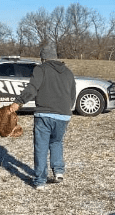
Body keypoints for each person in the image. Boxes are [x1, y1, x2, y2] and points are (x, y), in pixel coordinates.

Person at [10, 43, 76, 190]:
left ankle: (40, 180)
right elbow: (72, 96)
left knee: (41, 147)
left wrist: (18, 102)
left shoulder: (41, 69)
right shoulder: (68, 72)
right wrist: (66, 109)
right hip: (64, 115)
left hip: (44, 114)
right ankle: (58, 171)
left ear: (43, 58)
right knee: (57, 142)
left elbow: (32, 88)